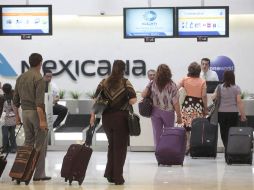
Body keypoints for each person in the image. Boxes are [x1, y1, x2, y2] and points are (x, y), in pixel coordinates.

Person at [90, 60, 137, 185]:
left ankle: (110, 174)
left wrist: (92, 116)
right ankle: (118, 177)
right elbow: (133, 100)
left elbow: (95, 99)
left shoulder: (103, 82)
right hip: (121, 118)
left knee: (112, 146)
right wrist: (125, 99)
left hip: (107, 119)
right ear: (123, 69)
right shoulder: (125, 82)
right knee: (120, 148)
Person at [13, 53, 51, 181]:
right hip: (36, 113)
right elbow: (39, 104)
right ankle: (38, 174)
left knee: (27, 143)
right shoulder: (39, 78)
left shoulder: (20, 78)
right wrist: (42, 121)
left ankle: (22, 172)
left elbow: (15, 101)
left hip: (24, 113)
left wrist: (17, 118)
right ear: (40, 62)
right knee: (40, 144)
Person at [141, 64, 182, 148]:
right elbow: (176, 103)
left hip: (155, 111)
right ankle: (168, 151)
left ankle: (158, 152)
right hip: (168, 112)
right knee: (169, 133)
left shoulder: (152, 83)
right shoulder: (172, 85)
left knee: (157, 134)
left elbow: (143, 94)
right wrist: (179, 116)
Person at [178, 62, 208, 155]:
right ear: (199, 71)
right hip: (198, 106)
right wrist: (205, 108)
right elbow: (204, 96)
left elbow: (175, 88)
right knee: (196, 127)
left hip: (187, 105)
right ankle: (194, 147)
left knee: (186, 127)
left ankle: (187, 146)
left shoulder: (184, 79)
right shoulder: (202, 81)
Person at [213, 70, 246, 155]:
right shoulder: (236, 88)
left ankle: (227, 149)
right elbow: (239, 102)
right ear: (233, 77)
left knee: (223, 132)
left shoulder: (219, 87)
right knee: (232, 132)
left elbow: (214, 97)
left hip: (221, 113)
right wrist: (243, 115)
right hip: (233, 113)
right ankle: (230, 150)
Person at [1, 83, 17, 153]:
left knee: (5, 135)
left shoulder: (1, 98)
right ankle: (13, 148)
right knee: (12, 134)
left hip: (4, 119)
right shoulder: (14, 97)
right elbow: (16, 108)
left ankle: (5, 148)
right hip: (13, 118)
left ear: (3, 90)